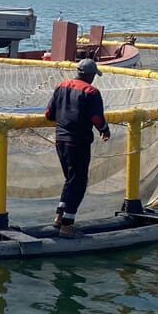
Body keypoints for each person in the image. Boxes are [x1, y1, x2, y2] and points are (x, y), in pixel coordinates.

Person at [45, 57, 110, 237]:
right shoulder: (91, 91)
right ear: (90, 75)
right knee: (79, 182)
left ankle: (59, 216)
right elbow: (96, 118)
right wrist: (104, 129)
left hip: (60, 140)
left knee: (70, 179)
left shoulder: (61, 86)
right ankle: (67, 225)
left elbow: (48, 114)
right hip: (78, 141)